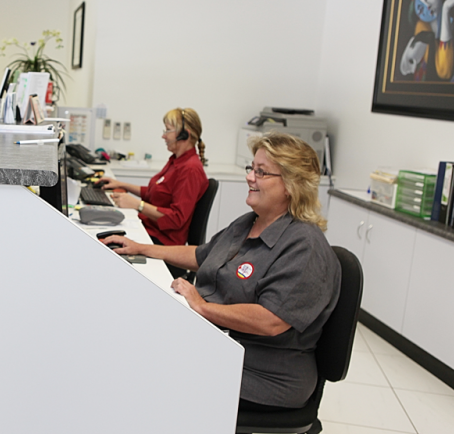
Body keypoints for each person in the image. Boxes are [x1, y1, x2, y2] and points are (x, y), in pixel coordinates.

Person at [102, 133, 340, 410]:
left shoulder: (304, 246)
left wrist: (202, 307)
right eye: (252, 168)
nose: (250, 177)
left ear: (291, 185)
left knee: (147, 368)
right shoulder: (250, 222)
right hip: (219, 341)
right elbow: (203, 255)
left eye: (261, 172)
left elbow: (271, 320)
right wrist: (142, 248)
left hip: (264, 372)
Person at [97, 108, 208, 278]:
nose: (164, 136)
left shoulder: (190, 169)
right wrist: (121, 184)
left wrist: (137, 205)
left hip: (164, 242)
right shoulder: (176, 160)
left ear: (184, 134)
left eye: (168, 130)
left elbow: (176, 218)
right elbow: (154, 193)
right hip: (151, 231)